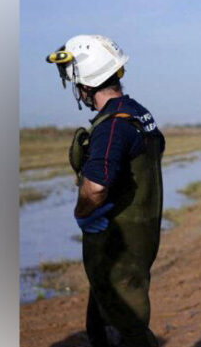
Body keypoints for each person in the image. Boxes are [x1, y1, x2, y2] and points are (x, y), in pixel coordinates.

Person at [46, 35, 165, 347]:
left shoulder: (112, 125)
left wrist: (81, 212)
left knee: (124, 330)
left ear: (85, 83)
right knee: (106, 319)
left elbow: (96, 187)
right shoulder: (139, 113)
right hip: (140, 239)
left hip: (118, 247)